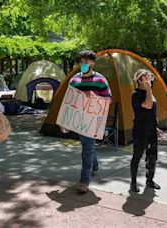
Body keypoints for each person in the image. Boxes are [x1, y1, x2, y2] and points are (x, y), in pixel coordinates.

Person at [60, 50, 112, 194]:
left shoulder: (100, 80)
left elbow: (108, 99)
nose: (84, 64)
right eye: (82, 61)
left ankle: (84, 180)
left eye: (87, 62)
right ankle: (94, 165)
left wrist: (94, 96)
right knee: (87, 145)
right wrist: (64, 122)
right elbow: (68, 102)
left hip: (92, 121)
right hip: (78, 121)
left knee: (87, 147)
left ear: (93, 63)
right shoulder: (74, 80)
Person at [130, 69, 161, 192]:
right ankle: (133, 183)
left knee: (152, 156)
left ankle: (150, 180)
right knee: (137, 156)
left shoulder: (150, 93)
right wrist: (148, 89)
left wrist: (156, 126)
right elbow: (147, 105)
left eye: (149, 76)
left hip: (151, 129)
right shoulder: (136, 94)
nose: (149, 79)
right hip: (140, 130)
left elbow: (153, 111)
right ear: (139, 80)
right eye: (145, 77)